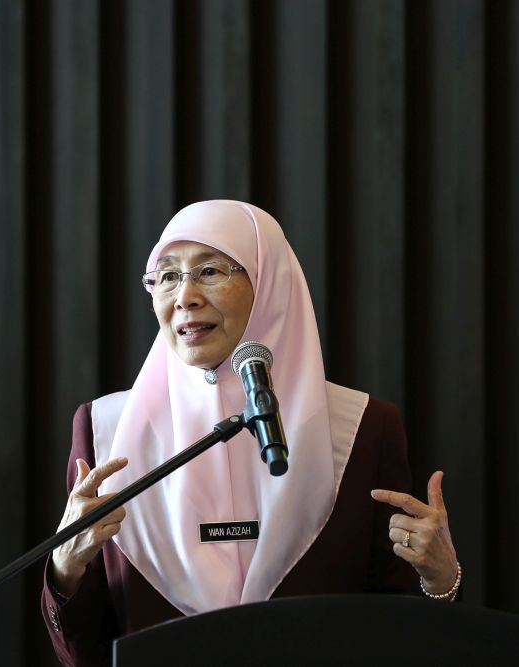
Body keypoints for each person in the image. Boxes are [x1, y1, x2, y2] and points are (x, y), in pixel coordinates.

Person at [41, 200, 460, 666]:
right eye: (167, 276)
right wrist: (65, 568)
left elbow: (397, 633)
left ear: (269, 282)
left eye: (209, 271)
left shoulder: (362, 427)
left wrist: (441, 580)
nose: (184, 296)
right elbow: (84, 656)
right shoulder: (106, 432)